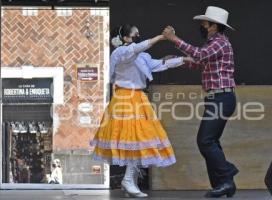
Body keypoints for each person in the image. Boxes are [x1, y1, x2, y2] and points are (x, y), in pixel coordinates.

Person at [91, 24, 192, 198]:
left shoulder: (141, 56)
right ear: (125, 38)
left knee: (140, 139)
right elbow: (138, 47)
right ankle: (128, 180)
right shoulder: (120, 54)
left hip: (137, 99)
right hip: (125, 99)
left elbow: (159, 64)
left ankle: (130, 180)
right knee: (135, 139)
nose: (138, 34)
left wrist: (183, 60)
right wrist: (161, 37)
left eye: (139, 32)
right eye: (134, 33)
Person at [163, 6, 239, 198]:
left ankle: (227, 175)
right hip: (217, 98)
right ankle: (222, 183)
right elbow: (201, 62)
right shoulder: (213, 43)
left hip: (222, 98)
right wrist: (178, 60)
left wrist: (174, 39)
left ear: (213, 26)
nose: (202, 26)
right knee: (211, 141)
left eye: (205, 24)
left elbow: (200, 55)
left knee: (205, 141)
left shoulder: (220, 42)